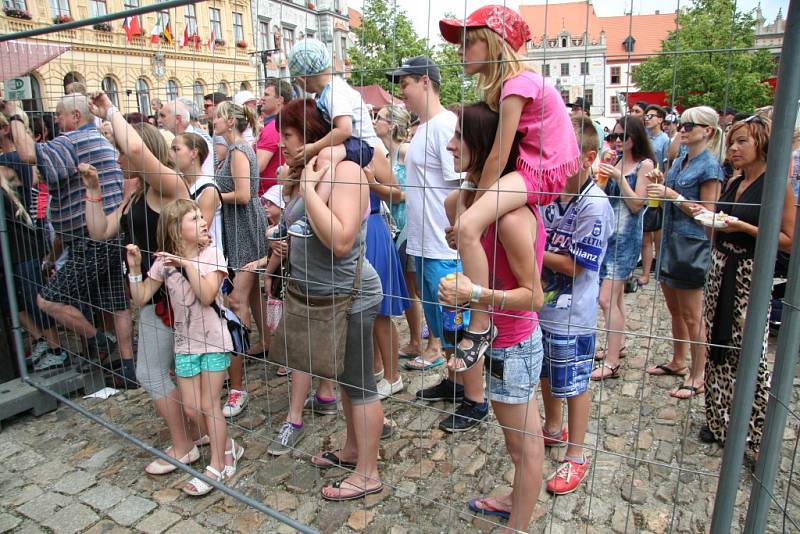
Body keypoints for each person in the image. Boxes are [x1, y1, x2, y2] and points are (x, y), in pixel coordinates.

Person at [439, 6, 580, 371]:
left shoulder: (515, 86)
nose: (460, 51)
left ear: (493, 44)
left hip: (537, 170)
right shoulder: (517, 83)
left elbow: (499, 153)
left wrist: (475, 213)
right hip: (536, 167)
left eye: (468, 43)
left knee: (469, 225)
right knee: (464, 214)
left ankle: (481, 323)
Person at [80, 92, 212, 473]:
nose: (116, 157)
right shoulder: (135, 190)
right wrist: (92, 191)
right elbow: (101, 230)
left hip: (173, 297)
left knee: (149, 372)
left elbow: (136, 146)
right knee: (174, 370)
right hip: (151, 292)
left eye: (118, 150)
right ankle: (197, 432)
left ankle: (184, 445)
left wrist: (110, 111)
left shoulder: (166, 186)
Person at [439, 101, 545, 531]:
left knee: (526, 449)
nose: (449, 145)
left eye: (459, 137)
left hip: (513, 343)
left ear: (484, 145)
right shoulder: (468, 201)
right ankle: (514, 498)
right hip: (494, 340)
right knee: (514, 443)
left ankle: (518, 525)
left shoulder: (514, 218)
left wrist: (474, 292)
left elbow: (535, 297)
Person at [275, 98, 384, 500]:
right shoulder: (318, 171)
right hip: (327, 295)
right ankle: (353, 449)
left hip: (351, 295)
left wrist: (306, 188)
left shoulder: (346, 173)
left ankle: (368, 473)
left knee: (359, 385)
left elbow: (339, 240)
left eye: (287, 135)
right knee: (343, 379)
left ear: (311, 136)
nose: (282, 143)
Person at [386, 57, 487, 433]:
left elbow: (465, 186)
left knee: (458, 327)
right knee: (440, 326)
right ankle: (455, 382)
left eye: (406, 82)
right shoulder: (424, 128)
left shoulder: (445, 126)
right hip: (425, 247)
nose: (402, 91)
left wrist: (456, 233)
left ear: (426, 82)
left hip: (445, 251)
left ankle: (475, 400)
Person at [3, 96, 134, 381]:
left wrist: (15, 115)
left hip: (89, 238)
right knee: (117, 303)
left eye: (60, 117)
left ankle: (99, 340)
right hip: (110, 234)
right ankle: (127, 367)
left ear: (75, 116)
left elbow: (27, 154)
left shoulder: (70, 142)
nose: (57, 123)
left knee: (47, 300)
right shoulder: (99, 139)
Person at [126, 199, 244, 495]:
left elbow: (206, 296)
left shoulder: (213, 255)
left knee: (209, 404)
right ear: (175, 229)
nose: (203, 220)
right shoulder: (164, 263)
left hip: (214, 341)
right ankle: (229, 447)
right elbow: (140, 297)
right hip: (185, 344)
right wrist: (135, 268)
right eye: (193, 219)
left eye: (200, 216)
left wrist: (187, 264)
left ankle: (216, 465)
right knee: (192, 410)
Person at [691, 116, 794, 451]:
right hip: (720, 268)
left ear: (762, 144)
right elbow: (720, 221)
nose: (733, 149)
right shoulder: (735, 180)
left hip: (749, 273)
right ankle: (718, 420)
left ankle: (753, 430)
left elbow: (788, 240)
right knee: (717, 344)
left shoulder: (777, 185)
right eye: (732, 142)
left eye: (742, 142)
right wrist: (712, 222)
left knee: (748, 351)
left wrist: (742, 228)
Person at [540, 117, 614, 494]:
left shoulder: (596, 206)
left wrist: (533, 249)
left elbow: (577, 264)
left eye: (563, 158)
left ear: (587, 158)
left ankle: (577, 455)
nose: (553, 164)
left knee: (574, 383)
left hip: (573, 315)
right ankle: (553, 428)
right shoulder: (552, 193)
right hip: (543, 308)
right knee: (547, 374)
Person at [644, 106, 725, 399]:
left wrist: (673, 196)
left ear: (708, 131)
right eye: (681, 123)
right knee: (674, 310)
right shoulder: (680, 162)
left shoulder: (710, 167)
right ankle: (679, 361)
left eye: (690, 125)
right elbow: (667, 192)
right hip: (669, 243)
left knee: (693, 316)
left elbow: (709, 215)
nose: (683, 128)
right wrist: (659, 182)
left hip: (691, 246)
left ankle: (698, 373)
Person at [284, 38, 386, 239]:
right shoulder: (327, 93)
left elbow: (345, 130)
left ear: (302, 79)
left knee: (326, 155)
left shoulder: (334, 93)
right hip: (351, 143)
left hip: (361, 144)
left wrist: (314, 146)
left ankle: (310, 214)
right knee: (324, 157)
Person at [213, 101, 269, 417]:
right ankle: (269, 345)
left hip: (244, 226)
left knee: (238, 301)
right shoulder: (236, 149)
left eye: (219, 116)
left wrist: (210, 193)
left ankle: (238, 380)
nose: (214, 120)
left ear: (231, 121)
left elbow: (244, 195)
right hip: (243, 225)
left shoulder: (237, 151)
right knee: (252, 296)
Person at [591, 116, 654, 380]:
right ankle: (618, 345)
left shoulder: (645, 164)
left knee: (606, 299)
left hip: (626, 238)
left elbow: (637, 203)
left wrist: (618, 176)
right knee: (615, 298)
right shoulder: (616, 159)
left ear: (635, 137)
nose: (617, 141)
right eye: (614, 136)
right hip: (609, 235)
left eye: (622, 136)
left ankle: (613, 361)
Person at [0, 112, 63, 371]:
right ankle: (40, 341)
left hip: (23, 241)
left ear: (6, 130)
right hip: (9, 245)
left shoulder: (16, 160)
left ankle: (56, 348)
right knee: (9, 299)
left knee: (33, 295)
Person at [373, 105, 425, 362]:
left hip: (408, 226)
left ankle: (421, 341)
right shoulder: (385, 154)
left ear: (392, 124)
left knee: (414, 287)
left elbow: (414, 190)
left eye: (379, 117)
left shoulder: (405, 151)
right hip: (393, 225)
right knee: (407, 287)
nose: (375, 121)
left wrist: (381, 188)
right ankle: (415, 340)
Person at [639, 104, 671, 287]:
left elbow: (667, 167)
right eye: (646, 116)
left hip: (657, 190)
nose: (647, 119)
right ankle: (645, 273)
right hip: (643, 188)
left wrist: (661, 182)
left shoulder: (665, 140)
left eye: (651, 116)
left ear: (660, 119)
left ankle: (657, 267)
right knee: (645, 234)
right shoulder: (644, 137)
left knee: (656, 230)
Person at [158, 101, 214, 179]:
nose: (159, 120)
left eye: (163, 116)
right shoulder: (183, 138)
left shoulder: (198, 140)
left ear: (177, 119)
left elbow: (208, 175)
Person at [256, 79, 293, 197]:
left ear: (280, 100)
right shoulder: (284, 123)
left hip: (267, 197)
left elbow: (257, 166)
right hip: (276, 194)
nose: (262, 98)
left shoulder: (274, 127)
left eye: (266, 95)